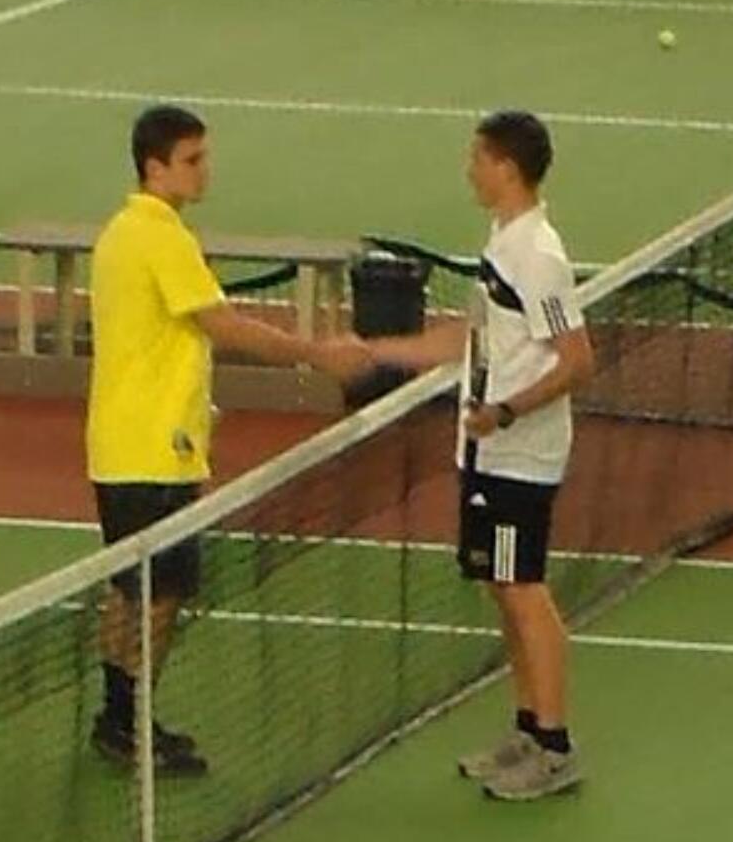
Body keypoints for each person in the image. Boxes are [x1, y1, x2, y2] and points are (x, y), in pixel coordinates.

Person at [87, 105, 370, 775]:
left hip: (132, 445)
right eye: (191, 160)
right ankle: (127, 722)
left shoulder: (123, 232)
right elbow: (224, 324)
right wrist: (315, 353)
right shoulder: (160, 237)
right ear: (154, 167)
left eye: (203, 157)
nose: (203, 170)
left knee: (135, 589)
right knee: (161, 592)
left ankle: (119, 717)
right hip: (152, 451)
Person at [363, 111, 595, 800]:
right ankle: (527, 728)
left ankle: (555, 747)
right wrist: (377, 351)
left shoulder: (541, 259)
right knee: (503, 585)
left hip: (520, 455)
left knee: (525, 590)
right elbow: (472, 341)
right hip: (487, 454)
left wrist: (505, 412)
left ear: (507, 168)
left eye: (478, 158)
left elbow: (578, 359)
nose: (469, 168)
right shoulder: (504, 241)